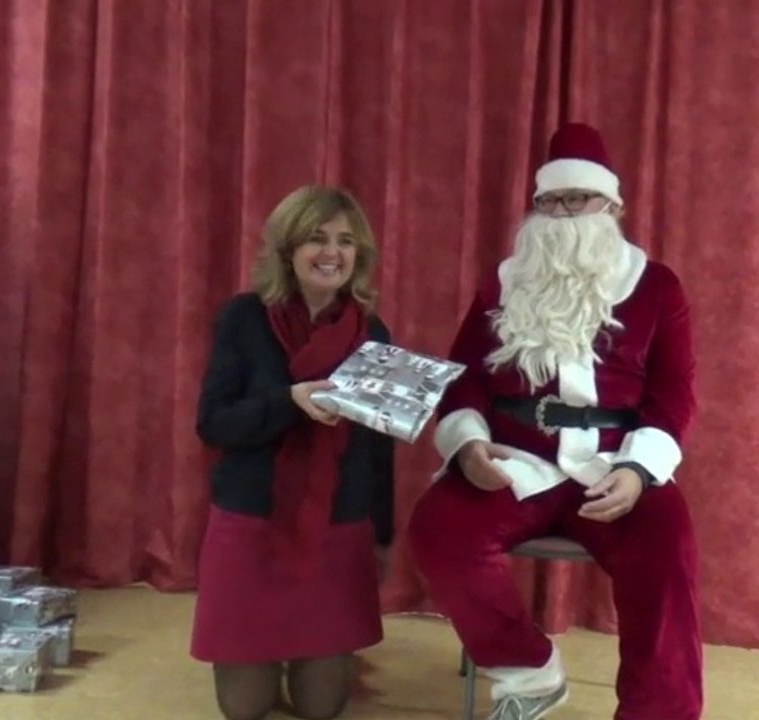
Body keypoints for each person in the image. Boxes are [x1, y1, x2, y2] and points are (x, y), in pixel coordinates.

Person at [408, 123, 701, 720]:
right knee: (439, 530)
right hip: (519, 461)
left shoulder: (656, 286)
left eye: (578, 200)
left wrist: (640, 472)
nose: (564, 215)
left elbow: (674, 394)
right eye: (551, 202)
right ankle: (528, 670)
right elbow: (462, 374)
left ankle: (658, 710)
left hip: (613, 465)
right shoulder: (504, 281)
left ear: (611, 206)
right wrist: (469, 447)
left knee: (667, 546)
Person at [191, 186, 395, 720]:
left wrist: (384, 533)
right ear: (287, 249)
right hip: (253, 521)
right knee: (245, 709)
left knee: (322, 708)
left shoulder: (372, 333)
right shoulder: (243, 318)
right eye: (317, 238)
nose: (332, 252)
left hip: (338, 525)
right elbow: (213, 424)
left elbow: (379, 446)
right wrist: (290, 402)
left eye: (346, 241)